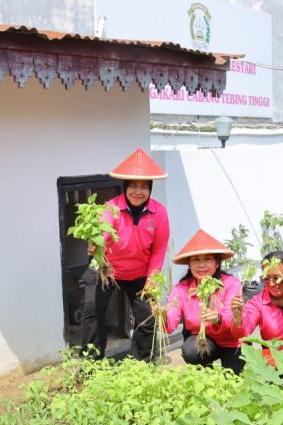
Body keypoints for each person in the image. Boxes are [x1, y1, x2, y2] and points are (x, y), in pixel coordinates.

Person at [81, 148, 170, 361]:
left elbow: (159, 250)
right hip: (107, 269)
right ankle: (91, 365)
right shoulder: (110, 208)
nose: (138, 191)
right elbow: (103, 229)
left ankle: (143, 363)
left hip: (139, 273)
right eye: (133, 186)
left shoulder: (159, 213)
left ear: (150, 188)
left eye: (143, 187)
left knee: (147, 317)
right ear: (125, 187)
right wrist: (96, 242)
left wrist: (152, 280)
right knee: (92, 310)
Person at [165, 229, 243, 373]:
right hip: (202, 340)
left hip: (231, 341)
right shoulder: (181, 289)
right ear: (189, 264)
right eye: (196, 260)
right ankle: (205, 373)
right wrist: (161, 315)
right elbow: (170, 324)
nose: (201, 265)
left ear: (217, 263)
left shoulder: (231, 284)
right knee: (191, 351)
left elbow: (233, 318)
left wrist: (218, 318)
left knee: (234, 379)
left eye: (207, 259)